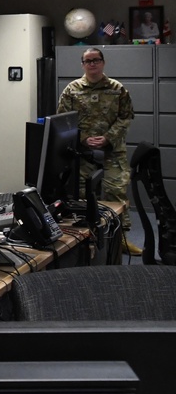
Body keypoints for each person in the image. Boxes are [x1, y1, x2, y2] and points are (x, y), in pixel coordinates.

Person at [57, 47, 138, 254]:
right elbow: (64, 120)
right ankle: (86, 240)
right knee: (83, 197)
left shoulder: (117, 89)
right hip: (82, 153)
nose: (92, 64)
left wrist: (108, 138)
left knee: (116, 194)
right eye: (88, 61)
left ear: (103, 62)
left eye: (96, 60)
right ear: (82, 65)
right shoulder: (72, 90)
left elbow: (126, 117)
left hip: (112, 152)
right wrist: (84, 139)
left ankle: (120, 240)